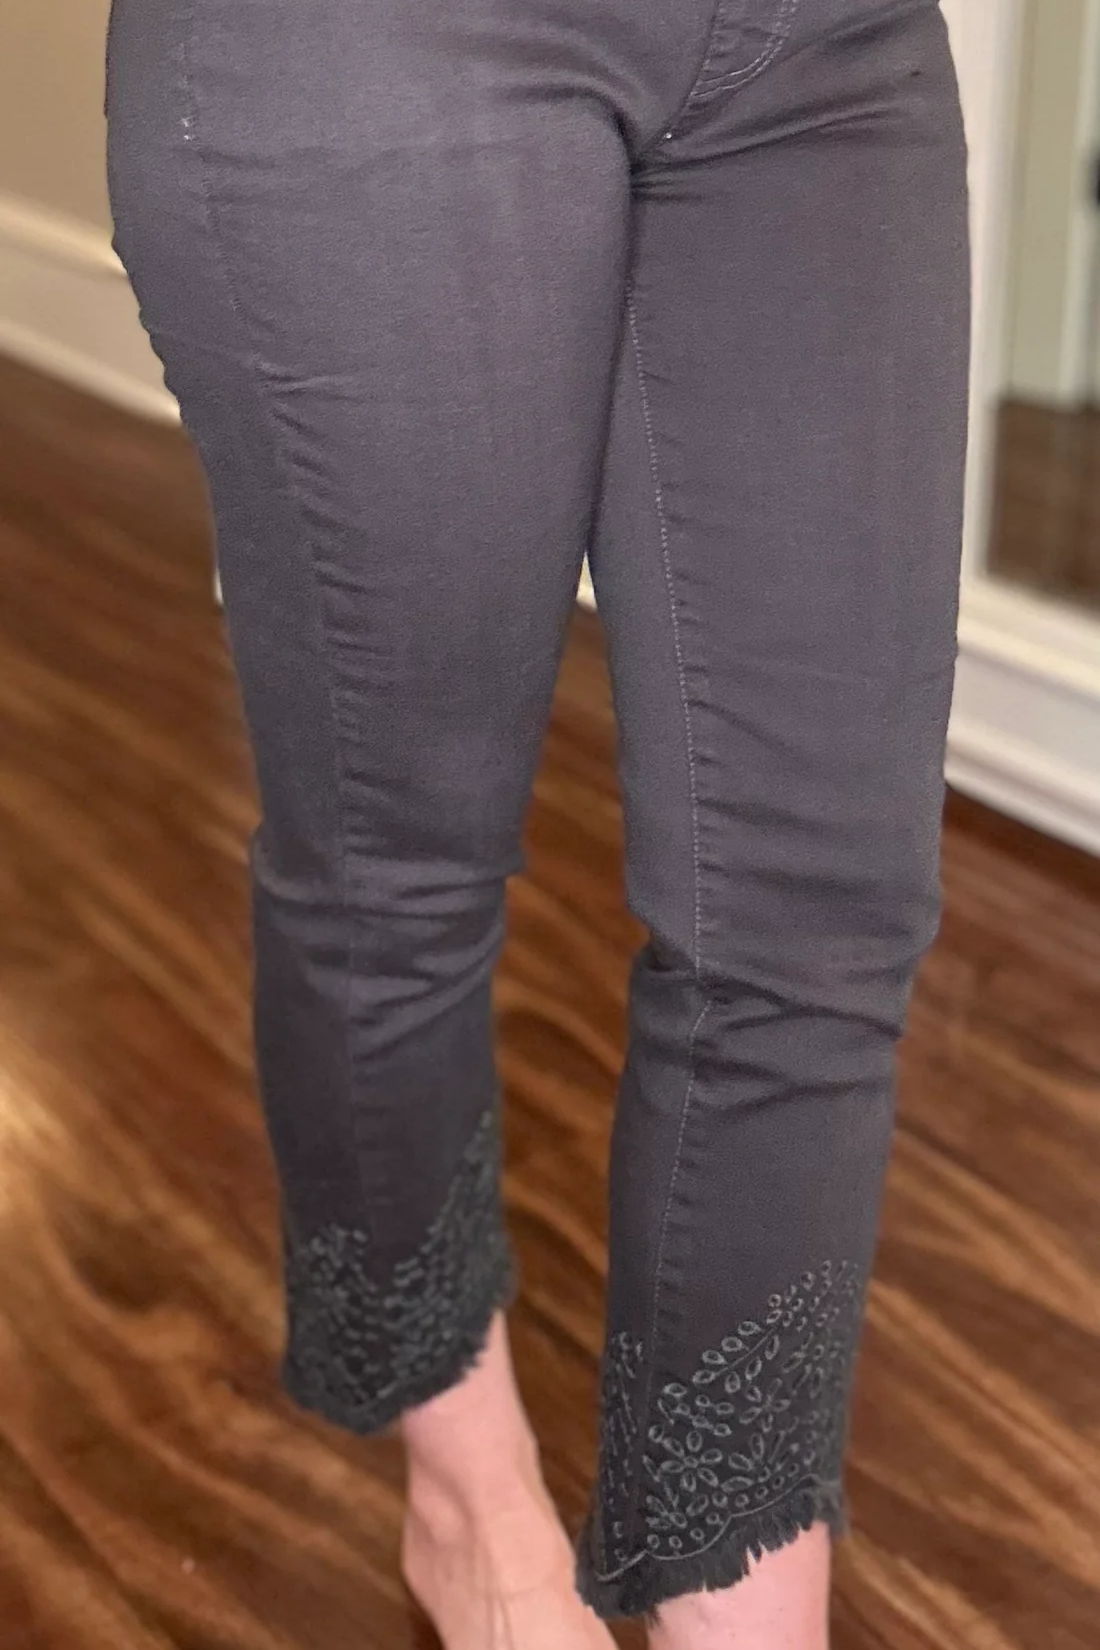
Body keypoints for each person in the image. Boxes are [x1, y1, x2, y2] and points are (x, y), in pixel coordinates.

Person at [104, 0, 969, 1643]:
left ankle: (740, 1586)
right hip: (386, 40)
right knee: (394, 871)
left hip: (827, 46)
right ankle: (465, 1502)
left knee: (814, 922)